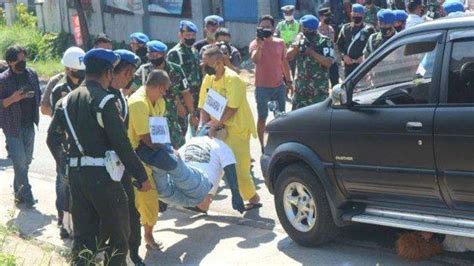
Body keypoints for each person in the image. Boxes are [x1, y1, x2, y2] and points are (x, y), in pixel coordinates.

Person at [47, 48, 152, 265]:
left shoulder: (65, 102)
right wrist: (141, 177)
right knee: (117, 238)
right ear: (107, 72)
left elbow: (52, 139)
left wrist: (66, 165)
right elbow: (122, 145)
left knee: (83, 238)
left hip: (77, 177)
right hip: (105, 179)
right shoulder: (104, 102)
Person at [199, 47, 261, 210]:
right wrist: (203, 126)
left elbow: (232, 108)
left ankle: (253, 198)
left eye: (207, 63)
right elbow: (204, 105)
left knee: (239, 168)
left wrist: (216, 125)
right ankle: (204, 203)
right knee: (213, 165)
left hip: (237, 129)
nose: (203, 66)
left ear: (218, 63)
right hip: (216, 128)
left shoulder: (233, 80)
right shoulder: (208, 78)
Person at [135, 128, 246, 213]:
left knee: (174, 179)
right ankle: (160, 164)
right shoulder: (222, 146)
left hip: (182, 187)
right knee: (183, 180)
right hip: (197, 188)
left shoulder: (192, 141)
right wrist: (235, 194)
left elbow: (177, 154)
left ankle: (156, 161)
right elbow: (230, 169)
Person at [45, 46, 85, 239]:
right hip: (64, 144)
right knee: (63, 182)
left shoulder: (87, 84)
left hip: (84, 144)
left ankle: (78, 220)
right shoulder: (59, 90)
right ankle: (63, 220)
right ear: (69, 69)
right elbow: (57, 121)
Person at [110, 49, 145, 266]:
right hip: (107, 170)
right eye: (129, 73)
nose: (130, 77)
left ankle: (133, 254)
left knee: (132, 214)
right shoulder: (103, 98)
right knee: (115, 218)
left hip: (123, 167)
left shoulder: (122, 96)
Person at [128, 69, 169, 251]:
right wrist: (165, 152)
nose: (165, 93)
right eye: (164, 89)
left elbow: (160, 129)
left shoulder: (159, 101)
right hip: (137, 156)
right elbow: (145, 136)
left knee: (147, 199)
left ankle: (143, 234)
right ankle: (146, 236)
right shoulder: (138, 102)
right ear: (158, 87)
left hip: (152, 153)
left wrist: (167, 147)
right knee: (147, 198)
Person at [134, 40, 196, 148]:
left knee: (179, 150)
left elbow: (186, 93)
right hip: (152, 120)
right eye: (151, 55)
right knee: (156, 150)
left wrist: (192, 114)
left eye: (156, 55)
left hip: (173, 120)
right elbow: (130, 89)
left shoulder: (176, 70)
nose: (153, 58)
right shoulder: (144, 71)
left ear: (164, 55)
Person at [0, 45, 41, 208]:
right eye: (18, 60)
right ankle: (27, 195)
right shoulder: (3, 80)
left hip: (29, 123)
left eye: (24, 59)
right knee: (20, 161)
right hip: (12, 127)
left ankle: (18, 191)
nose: (22, 63)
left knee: (27, 161)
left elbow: (38, 92)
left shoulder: (31, 74)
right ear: (10, 62)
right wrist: (12, 99)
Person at [249, 15, 293, 151]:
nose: (265, 29)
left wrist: (289, 81)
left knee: (280, 117)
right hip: (262, 87)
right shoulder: (255, 44)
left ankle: (280, 145)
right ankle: (262, 146)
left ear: (273, 28)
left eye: (268, 26)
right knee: (262, 117)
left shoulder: (280, 43)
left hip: (279, 86)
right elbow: (255, 60)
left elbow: (284, 63)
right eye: (262, 27)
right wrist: (261, 46)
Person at [287, 15, 335, 110]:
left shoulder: (324, 41)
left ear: (306, 28)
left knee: (317, 122)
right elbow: (288, 56)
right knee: (296, 121)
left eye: (302, 27)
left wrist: (311, 52)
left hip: (318, 92)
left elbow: (328, 62)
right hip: (300, 91)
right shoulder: (299, 39)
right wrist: (297, 45)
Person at [168, 21, 203, 136]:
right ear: (180, 35)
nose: (191, 38)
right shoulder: (175, 54)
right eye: (188, 35)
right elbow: (171, 82)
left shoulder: (194, 51)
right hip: (182, 99)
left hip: (196, 98)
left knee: (198, 132)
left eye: (193, 35)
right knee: (180, 133)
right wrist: (178, 103)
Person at [337, 4, 375, 77]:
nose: (356, 16)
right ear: (351, 14)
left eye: (358, 14)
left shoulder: (369, 29)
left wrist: (365, 57)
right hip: (349, 65)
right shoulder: (345, 28)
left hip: (364, 64)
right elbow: (339, 45)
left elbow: (373, 46)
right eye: (354, 13)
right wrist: (344, 56)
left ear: (363, 15)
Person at [275, 5, 300, 77]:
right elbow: (276, 34)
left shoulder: (298, 24)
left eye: (289, 13)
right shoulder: (280, 24)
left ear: (293, 13)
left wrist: (294, 46)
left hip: (293, 50)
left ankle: (292, 85)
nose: (288, 15)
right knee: (281, 69)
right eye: (286, 14)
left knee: (293, 69)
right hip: (281, 50)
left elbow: (300, 36)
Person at [318, 6, 341, 87]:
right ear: (321, 17)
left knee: (335, 82)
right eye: (326, 16)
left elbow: (332, 44)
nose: (328, 18)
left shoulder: (331, 29)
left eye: (329, 16)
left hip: (331, 59)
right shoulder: (316, 29)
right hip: (320, 60)